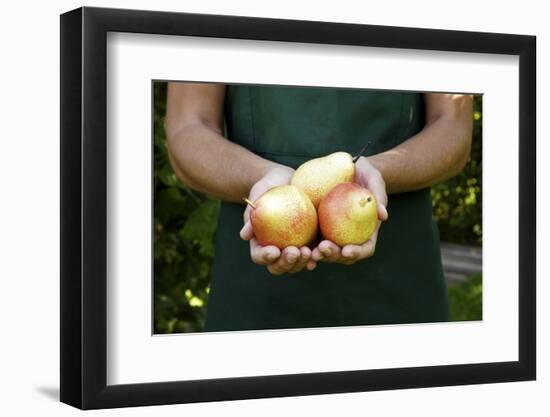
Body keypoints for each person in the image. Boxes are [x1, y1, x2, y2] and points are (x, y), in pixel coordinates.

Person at [165, 83, 473, 332]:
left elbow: (453, 126)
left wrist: (369, 174)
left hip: (400, 273)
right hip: (254, 286)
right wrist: (265, 179)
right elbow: (188, 127)